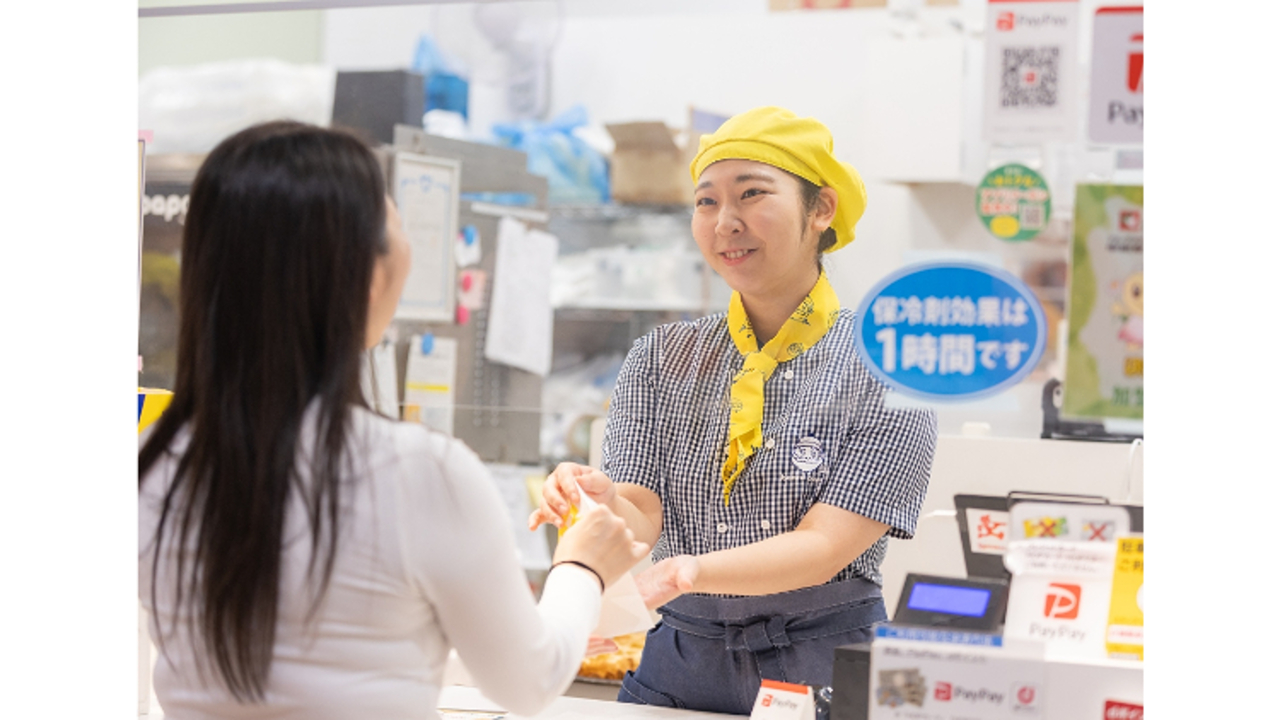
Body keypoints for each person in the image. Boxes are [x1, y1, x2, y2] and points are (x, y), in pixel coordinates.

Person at [138, 121, 648, 720]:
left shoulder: (154, 457)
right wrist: (582, 565)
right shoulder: (420, 471)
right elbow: (527, 682)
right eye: (398, 227)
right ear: (367, 272)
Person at [530, 106, 938, 715]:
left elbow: (824, 546)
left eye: (752, 194)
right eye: (706, 201)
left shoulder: (892, 364)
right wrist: (599, 499)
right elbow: (642, 511)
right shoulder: (661, 356)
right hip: (679, 657)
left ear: (821, 209)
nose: (726, 223)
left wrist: (684, 572)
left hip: (822, 659)